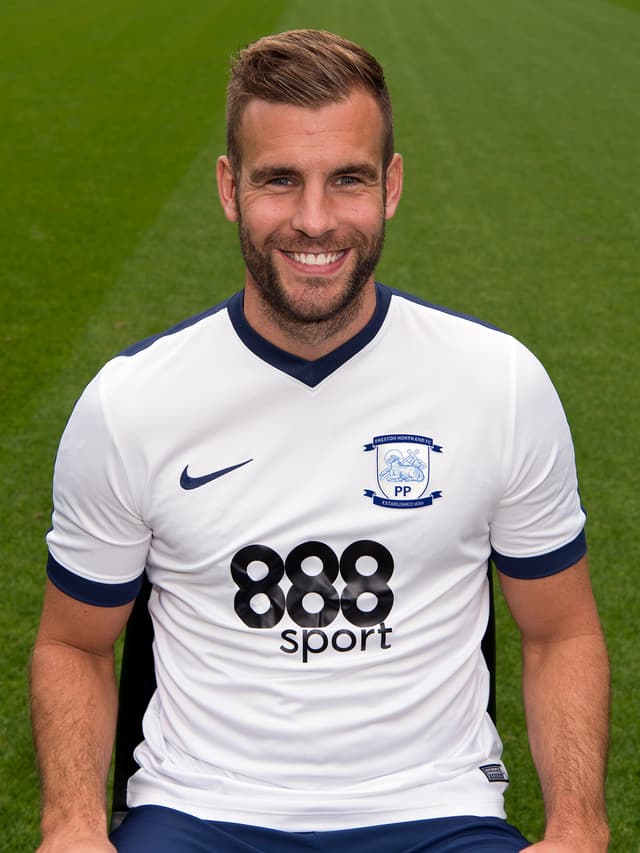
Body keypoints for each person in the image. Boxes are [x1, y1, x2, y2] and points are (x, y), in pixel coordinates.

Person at [30, 29, 610, 853]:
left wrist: (579, 830)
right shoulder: (132, 405)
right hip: (199, 812)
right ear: (230, 188)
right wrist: (73, 826)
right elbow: (74, 643)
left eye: (347, 179)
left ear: (392, 185)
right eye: (279, 181)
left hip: (435, 813)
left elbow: (561, 632)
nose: (314, 220)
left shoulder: (498, 384)